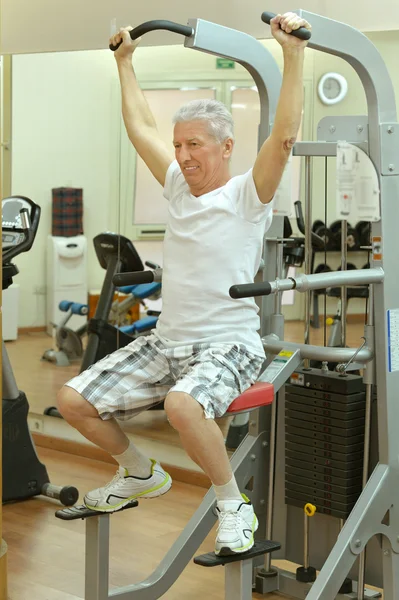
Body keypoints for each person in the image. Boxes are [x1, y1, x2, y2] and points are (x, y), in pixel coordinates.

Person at [57, 12, 310, 556]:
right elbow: (140, 128)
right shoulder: (177, 186)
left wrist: (293, 54)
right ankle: (140, 473)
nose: (183, 156)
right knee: (73, 400)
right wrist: (125, 63)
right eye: (179, 145)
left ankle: (231, 504)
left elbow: (285, 136)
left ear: (225, 147)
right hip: (167, 341)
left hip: (228, 344)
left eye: (195, 145)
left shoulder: (248, 194)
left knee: (182, 406)